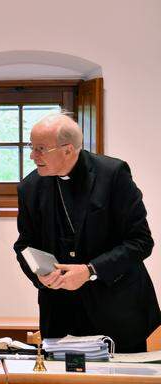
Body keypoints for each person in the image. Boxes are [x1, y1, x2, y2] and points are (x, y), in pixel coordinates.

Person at [14, 112, 161, 353]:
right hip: (60, 314)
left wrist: (90, 271)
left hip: (117, 311)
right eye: (32, 147)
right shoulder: (30, 187)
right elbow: (24, 245)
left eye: (40, 149)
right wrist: (39, 275)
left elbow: (141, 242)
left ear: (68, 149)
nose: (32, 156)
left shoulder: (113, 175)